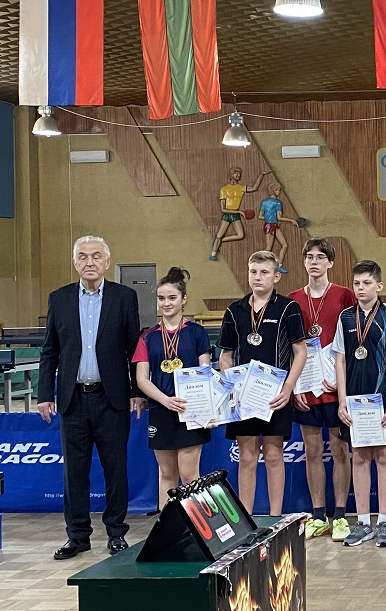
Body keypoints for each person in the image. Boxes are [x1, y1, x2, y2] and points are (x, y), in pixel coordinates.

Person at [38, 236, 142, 559]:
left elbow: (134, 349)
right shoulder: (59, 299)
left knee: (115, 469)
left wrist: (137, 392)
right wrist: (44, 394)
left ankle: (116, 533)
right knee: (74, 473)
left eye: (96, 256)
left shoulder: (124, 298)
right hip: (72, 399)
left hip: (112, 399)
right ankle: (78, 536)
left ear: (107, 262)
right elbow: (49, 351)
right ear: (75, 263)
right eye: (82, 257)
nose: (89, 262)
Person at [218, 250, 307, 516]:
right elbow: (225, 356)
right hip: (244, 398)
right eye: (253, 272)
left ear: (276, 276)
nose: (257, 277)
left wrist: (288, 389)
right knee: (246, 457)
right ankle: (246, 518)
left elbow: (300, 351)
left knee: (273, 455)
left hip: (275, 396)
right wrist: (232, 387)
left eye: (264, 272)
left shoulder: (288, 308)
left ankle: (275, 517)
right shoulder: (234, 310)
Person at [334, 260, 386, 547]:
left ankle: (384, 521)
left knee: (385, 456)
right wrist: (342, 402)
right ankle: (363, 522)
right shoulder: (345, 318)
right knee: (360, 456)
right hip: (355, 400)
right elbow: (340, 360)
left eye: (366, 283)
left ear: (379, 285)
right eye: (357, 283)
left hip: (383, 398)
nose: (361, 288)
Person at [288, 238, 356, 541]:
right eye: (309, 257)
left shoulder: (345, 295)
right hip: (306, 388)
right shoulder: (292, 300)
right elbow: (290, 347)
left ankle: (340, 515)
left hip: (335, 387)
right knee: (312, 451)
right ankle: (318, 515)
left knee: (340, 450)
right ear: (304, 262)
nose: (314, 262)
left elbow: (355, 341)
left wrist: (344, 383)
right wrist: (294, 387)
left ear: (330, 262)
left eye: (320, 257)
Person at [133, 267, 213, 509]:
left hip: (191, 410)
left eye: (172, 298)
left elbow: (205, 374)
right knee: (167, 473)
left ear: (183, 299)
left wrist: (209, 410)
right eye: (161, 298)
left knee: (189, 475)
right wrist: (165, 400)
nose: (166, 303)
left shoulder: (197, 333)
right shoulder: (147, 337)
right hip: (161, 410)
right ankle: (168, 524)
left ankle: (196, 525)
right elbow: (142, 379)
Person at [210, 166, 271, 261]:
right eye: (236, 173)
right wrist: (240, 211)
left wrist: (261, 175)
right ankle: (213, 254)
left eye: (240, 174)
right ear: (231, 175)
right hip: (227, 215)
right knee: (219, 234)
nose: (238, 175)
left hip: (235, 215)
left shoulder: (240, 188)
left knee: (240, 235)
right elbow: (223, 209)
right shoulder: (224, 189)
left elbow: (255, 188)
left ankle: (219, 240)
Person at [260, 182, 300, 274]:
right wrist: (291, 220)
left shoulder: (264, 202)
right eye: (277, 190)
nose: (279, 192)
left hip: (271, 225)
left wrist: (270, 218)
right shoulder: (277, 202)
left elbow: (260, 216)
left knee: (284, 245)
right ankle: (259, 264)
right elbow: (279, 217)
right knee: (269, 248)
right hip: (271, 226)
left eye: (279, 190)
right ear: (273, 190)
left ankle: (279, 265)